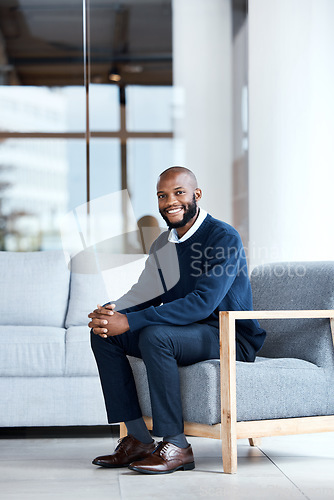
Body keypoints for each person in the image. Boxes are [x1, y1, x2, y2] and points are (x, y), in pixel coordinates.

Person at [88, 166, 266, 474]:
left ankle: (177, 446)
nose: (170, 201)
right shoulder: (162, 244)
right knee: (104, 333)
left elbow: (202, 303)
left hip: (226, 335)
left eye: (179, 192)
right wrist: (111, 312)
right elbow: (143, 292)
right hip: (184, 332)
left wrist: (131, 322)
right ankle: (139, 439)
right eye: (162, 195)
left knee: (155, 335)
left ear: (196, 195)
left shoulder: (223, 237)